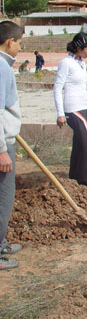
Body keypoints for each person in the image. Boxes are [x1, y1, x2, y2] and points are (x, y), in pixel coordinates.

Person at [53, 32, 87, 186]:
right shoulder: (66, 63)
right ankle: (84, 184)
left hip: (84, 107)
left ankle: (74, 181)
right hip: (73, 109)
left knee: (79, 145)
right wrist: (60, 113)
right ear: (78, 48)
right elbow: (57, 88)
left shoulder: (81, 63)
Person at [0, 21, 24, 271]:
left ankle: (2, 243)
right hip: (2, 145)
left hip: (6, 138)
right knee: (4, 197)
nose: (19, 48)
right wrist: (2, 151)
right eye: (19, 43)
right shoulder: (1, 68)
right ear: (10, 42)